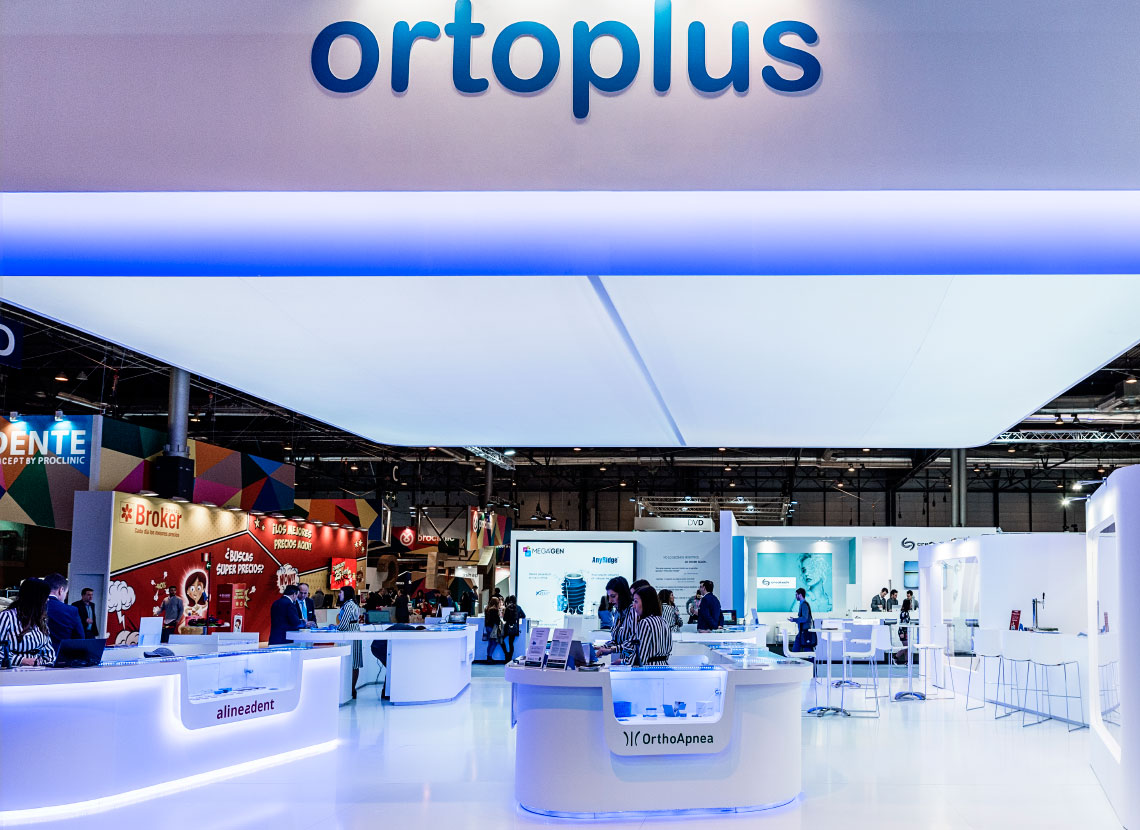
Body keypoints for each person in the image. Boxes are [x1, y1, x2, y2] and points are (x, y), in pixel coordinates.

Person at [0, 578, 56, 666]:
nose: (47, 600)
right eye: (45, 597)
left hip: (39, 670)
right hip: (13, 670)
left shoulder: (40, 619)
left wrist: (46, 662)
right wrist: (22, 660)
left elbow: (49, 652)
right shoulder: (6, 617)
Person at [596, 577, 636, 665]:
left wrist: (611, 649)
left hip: (632, 663)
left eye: (613, 596)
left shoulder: (633, 611)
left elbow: (633, 642)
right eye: (609, 596)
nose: (610, 601)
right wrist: (603, 647)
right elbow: (615, 641)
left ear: (622, 595)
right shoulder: (618, 613)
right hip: (623, 662)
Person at [632, 586, 671, 666]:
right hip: (664, 666)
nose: (634, 606)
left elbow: (641, 657)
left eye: (636, 601)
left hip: (649, 669)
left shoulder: (645, 623)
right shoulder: (664, 621)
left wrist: (624, 661)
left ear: (645, 602)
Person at [337, 585, 364, 698]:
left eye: (341, 592)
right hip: (355, 633)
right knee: (355, 662)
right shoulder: (354, 604)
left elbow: (343, 625)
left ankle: (350, 689)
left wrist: (335, 628)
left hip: (350, 634)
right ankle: (352, 689)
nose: (339, 594)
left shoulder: (348, 605)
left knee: (352, 662)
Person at [44, 573, 83, 649]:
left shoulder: (32, 607)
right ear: (61, 590)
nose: (65, 596)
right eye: (66, 593)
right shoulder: (71, 610)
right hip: (61, 653)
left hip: (35, 655)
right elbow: (79, 639)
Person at [788, 587, 816, 653]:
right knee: (802, 647)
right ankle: (794, 658)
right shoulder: (802, 604)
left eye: (796, 594)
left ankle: (810, 659)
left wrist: (794, 619)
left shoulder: (804, 605)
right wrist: (796, 620)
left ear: (800, 595)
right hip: (802, 631)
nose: (795, 596)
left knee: (807, 649)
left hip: (804, 631)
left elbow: (804, 618)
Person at [502, 595, 524, 661]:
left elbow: (504, 618)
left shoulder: (507, 608)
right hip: (514, 627)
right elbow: (523, 615)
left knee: (501, 639)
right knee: (511, 643)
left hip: (507, 627)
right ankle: (510, 658)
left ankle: (506, 654)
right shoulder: (518, 607)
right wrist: (517, 617)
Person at [483, 597, 504, 663]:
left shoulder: (487, 608)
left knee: (490, 643)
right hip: (493, 628)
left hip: (488, 627)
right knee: (494, 643)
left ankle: (488, 657)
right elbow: (497, 620)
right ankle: (489, 657)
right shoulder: (494, 609)